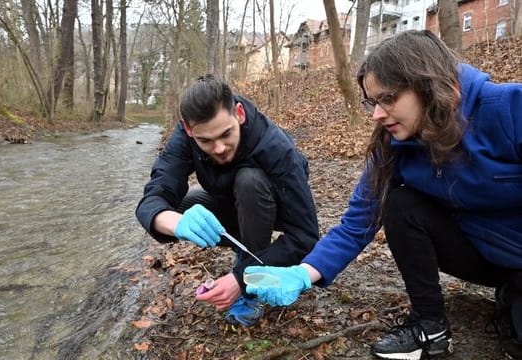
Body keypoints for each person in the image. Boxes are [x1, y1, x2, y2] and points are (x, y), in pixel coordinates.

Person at [244, 29, 522, 359]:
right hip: (479, 254)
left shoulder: (507, 109)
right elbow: (356, 224)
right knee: (401, 203)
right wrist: (303, 273)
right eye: (373, 102)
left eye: (388, 99)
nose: (377, 113)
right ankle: (430, 327)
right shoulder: (395, 146)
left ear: (428, 85)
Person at [135, 74, 319, 329]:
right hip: (227, 203)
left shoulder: (275, 147)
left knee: (249, 181)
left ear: (239, 114)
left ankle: (252, 285)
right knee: (175, 209)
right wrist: (175, 223)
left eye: (226, 134)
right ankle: (245, 248)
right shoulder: (185, 136)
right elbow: (153, 197)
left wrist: (242, 278)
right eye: (205, 141)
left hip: (272, 206)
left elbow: (305, 234)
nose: (219, 148)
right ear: (189, 130)